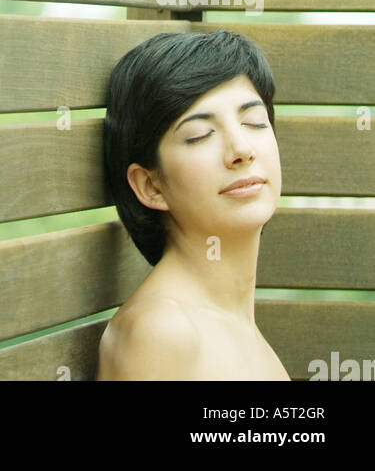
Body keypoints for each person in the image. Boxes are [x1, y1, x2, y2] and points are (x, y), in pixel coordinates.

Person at [96, 29, 290, 380]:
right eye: (200, 135)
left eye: (254, 122)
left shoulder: (230, 324)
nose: (241, 149)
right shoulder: (161, 331)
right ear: (151, 185)